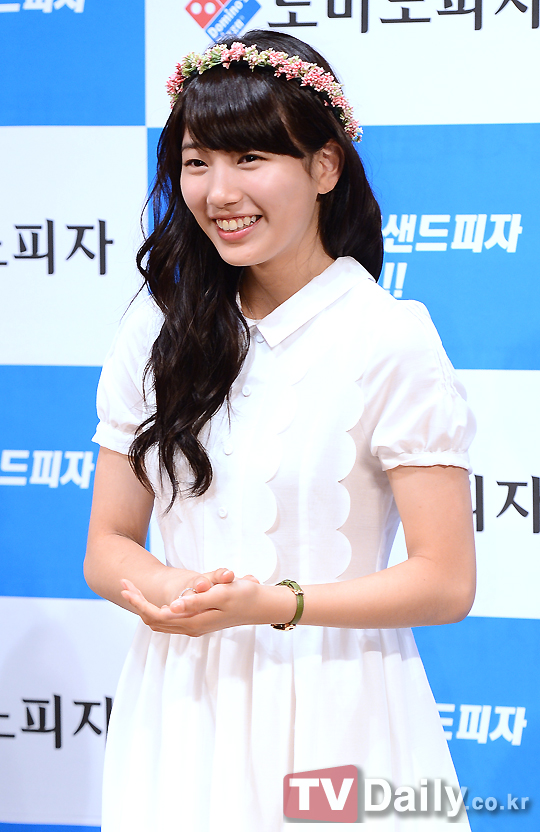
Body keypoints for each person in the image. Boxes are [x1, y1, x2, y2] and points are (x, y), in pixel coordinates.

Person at [84, 29, 476, 831]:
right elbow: (108, 545)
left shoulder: (388, 336)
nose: (219, 191)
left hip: (337, 703)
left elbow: (445, 581)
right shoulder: (156, 331)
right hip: (181, 710)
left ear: (325, 167)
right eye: (198, 162)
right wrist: (172, 591)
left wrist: (272, 603)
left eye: (250, 158)